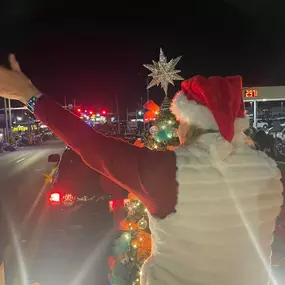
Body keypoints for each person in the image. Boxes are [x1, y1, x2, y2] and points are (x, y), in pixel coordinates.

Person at [0, 54, 283, 285]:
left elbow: (89, 144)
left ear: (190, 122)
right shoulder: (268, 171)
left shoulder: (169, 171)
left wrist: (29, 95)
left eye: (181, 122)